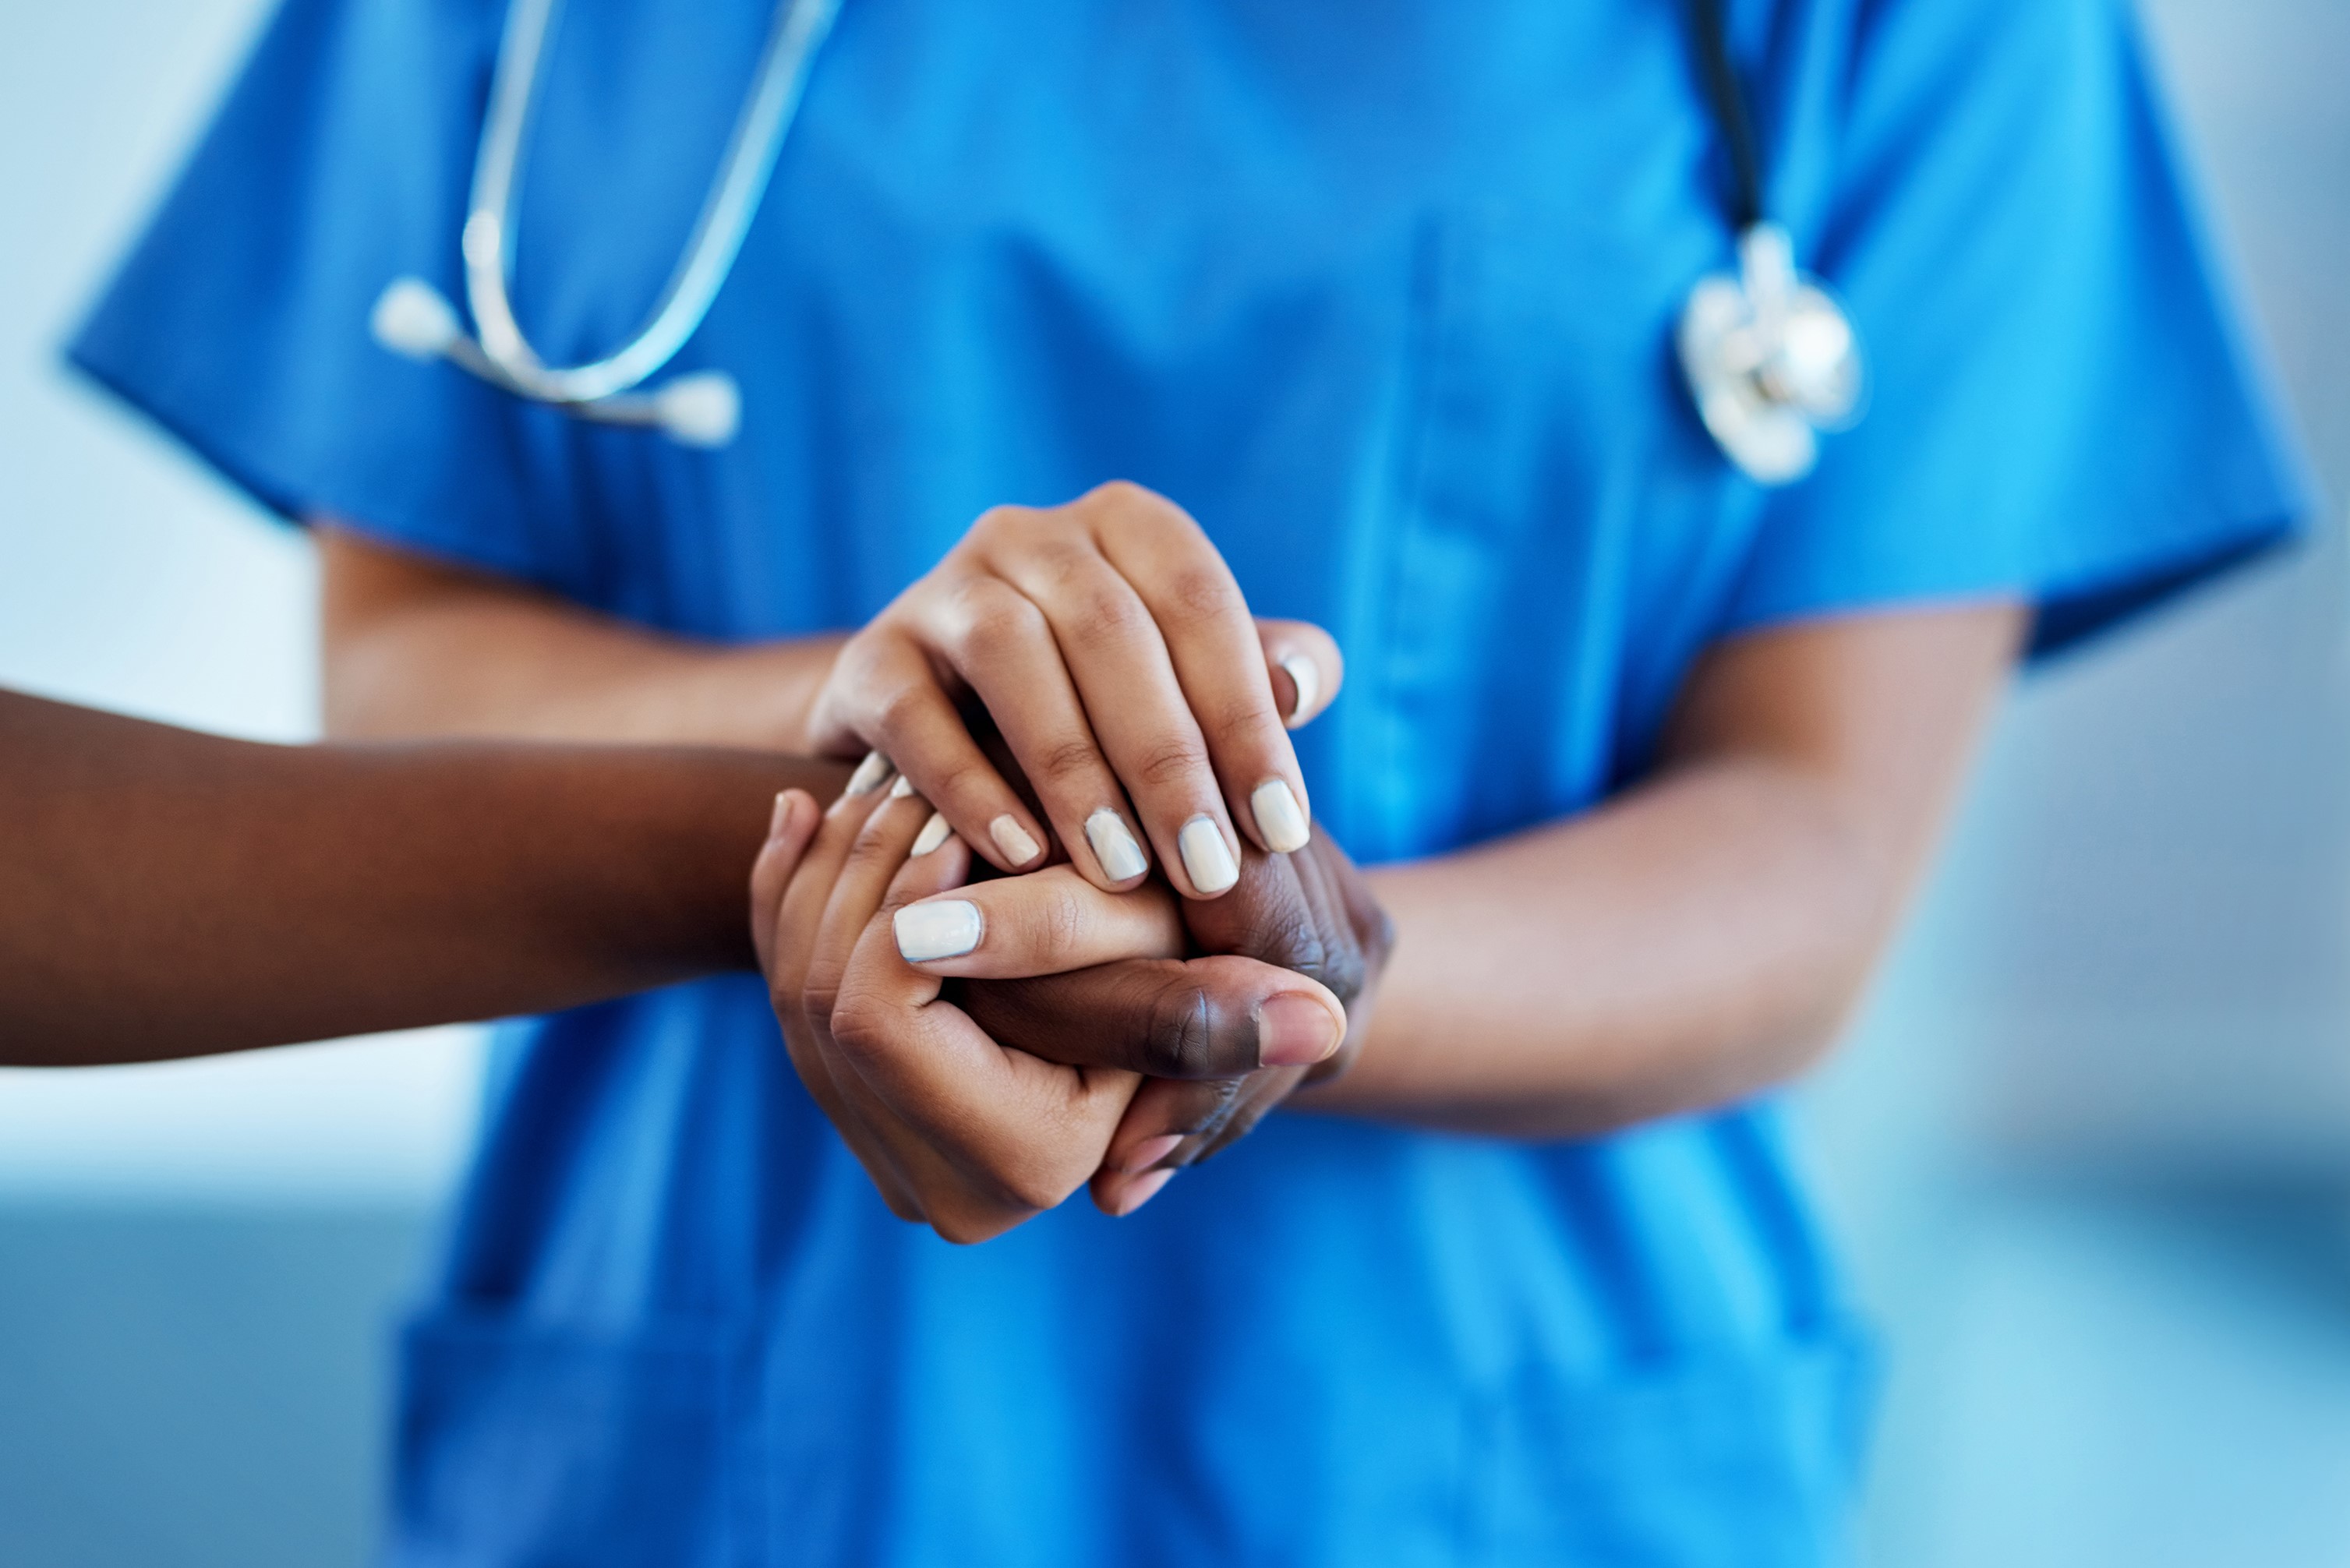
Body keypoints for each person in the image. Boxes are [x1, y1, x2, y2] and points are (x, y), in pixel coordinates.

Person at [69, 0, 2311, 1563]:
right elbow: (409, 679)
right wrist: (933, 775)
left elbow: (1811, 851)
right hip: (730, 1444)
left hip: (1504, 1457)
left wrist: (1203, 954)